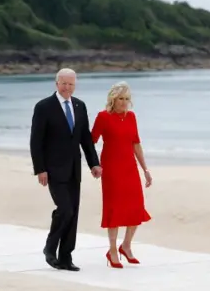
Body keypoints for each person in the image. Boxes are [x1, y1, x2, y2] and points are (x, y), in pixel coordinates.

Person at [29, 68, 103, 272]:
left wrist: (94, 163)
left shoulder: (80, 106)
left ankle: (65, 257)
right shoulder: (44, 107)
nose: (67, 87)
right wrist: (40, 169)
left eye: (71, 84)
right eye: (64, 83)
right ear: (56, 83)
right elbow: (36, 141)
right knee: (65, 210)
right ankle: (50, 248)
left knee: (73, 213)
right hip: (53, 169)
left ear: (75, 85)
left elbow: (85, 139)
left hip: (74, 169)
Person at [91, 80, 152, 269]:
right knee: (114, 208)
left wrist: (145, 170)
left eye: (127, 99)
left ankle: (126, 245)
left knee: (135, 207)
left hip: (129, 168)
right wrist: (94, 164)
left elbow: (136, 144)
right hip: (111, 169)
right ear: (113, 99)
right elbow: (90, 141)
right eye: (120, 99)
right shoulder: (103, 117)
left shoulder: (132, 116)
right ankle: (112, 250)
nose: (124, 102)